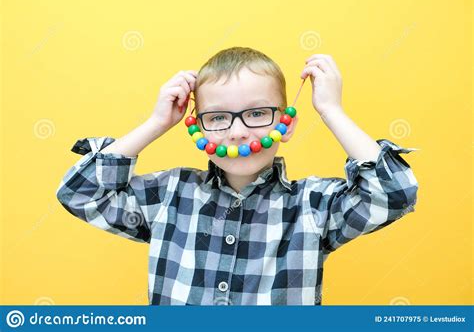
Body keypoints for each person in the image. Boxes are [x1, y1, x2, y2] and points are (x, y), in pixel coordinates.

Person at [56, 46, 418, 305]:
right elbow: (80, 193)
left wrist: (331, 110)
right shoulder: (169, 196)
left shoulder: (313, 207)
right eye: (218, 118)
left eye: (257, 113)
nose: (238, 132)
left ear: (286, 124)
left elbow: (395, 192)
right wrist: (155, 124)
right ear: (197, 128)